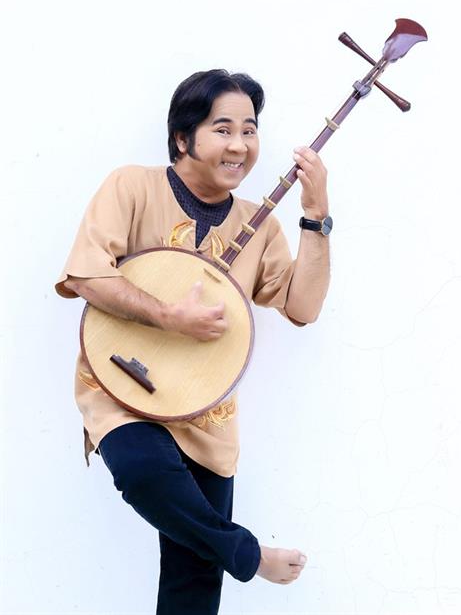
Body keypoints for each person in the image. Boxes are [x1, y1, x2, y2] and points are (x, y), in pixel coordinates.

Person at [55, 69, 331, 614]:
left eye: (249, 130)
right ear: (183, 138)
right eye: (222, 129)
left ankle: (228, 555)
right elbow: (85, 274)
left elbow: (304, 307)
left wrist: (315, 215)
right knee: (142, 470)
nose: (240, 145)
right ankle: (248, 556)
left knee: (194, 584)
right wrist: (166, 316)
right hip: (121, 384)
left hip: (206, 411)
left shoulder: (260, 225)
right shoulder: (131, 187)